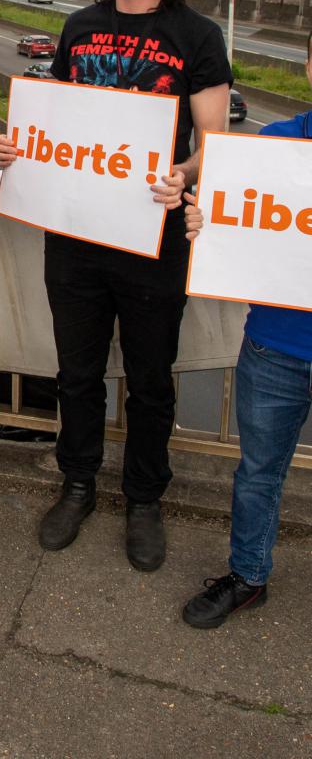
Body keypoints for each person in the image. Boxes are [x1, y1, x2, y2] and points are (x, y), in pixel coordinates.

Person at [0, 0, 231, 571]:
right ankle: (77, 484)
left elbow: (215, 143)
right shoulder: (79, 27)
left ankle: (144, 499)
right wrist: (19, 148)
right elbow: (57, 122)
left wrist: (184, 174)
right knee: (77, 373)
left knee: (151, 379)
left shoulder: (196, 35)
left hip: (154, 236)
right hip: (73, 234)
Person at [181, 35, 312, 628]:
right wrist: (208, 225)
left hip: (274, 347)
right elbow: (237, 221)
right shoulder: (274, 145)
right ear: (307, 66)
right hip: (274, 347)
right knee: (258, 473)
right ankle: (248, 575)